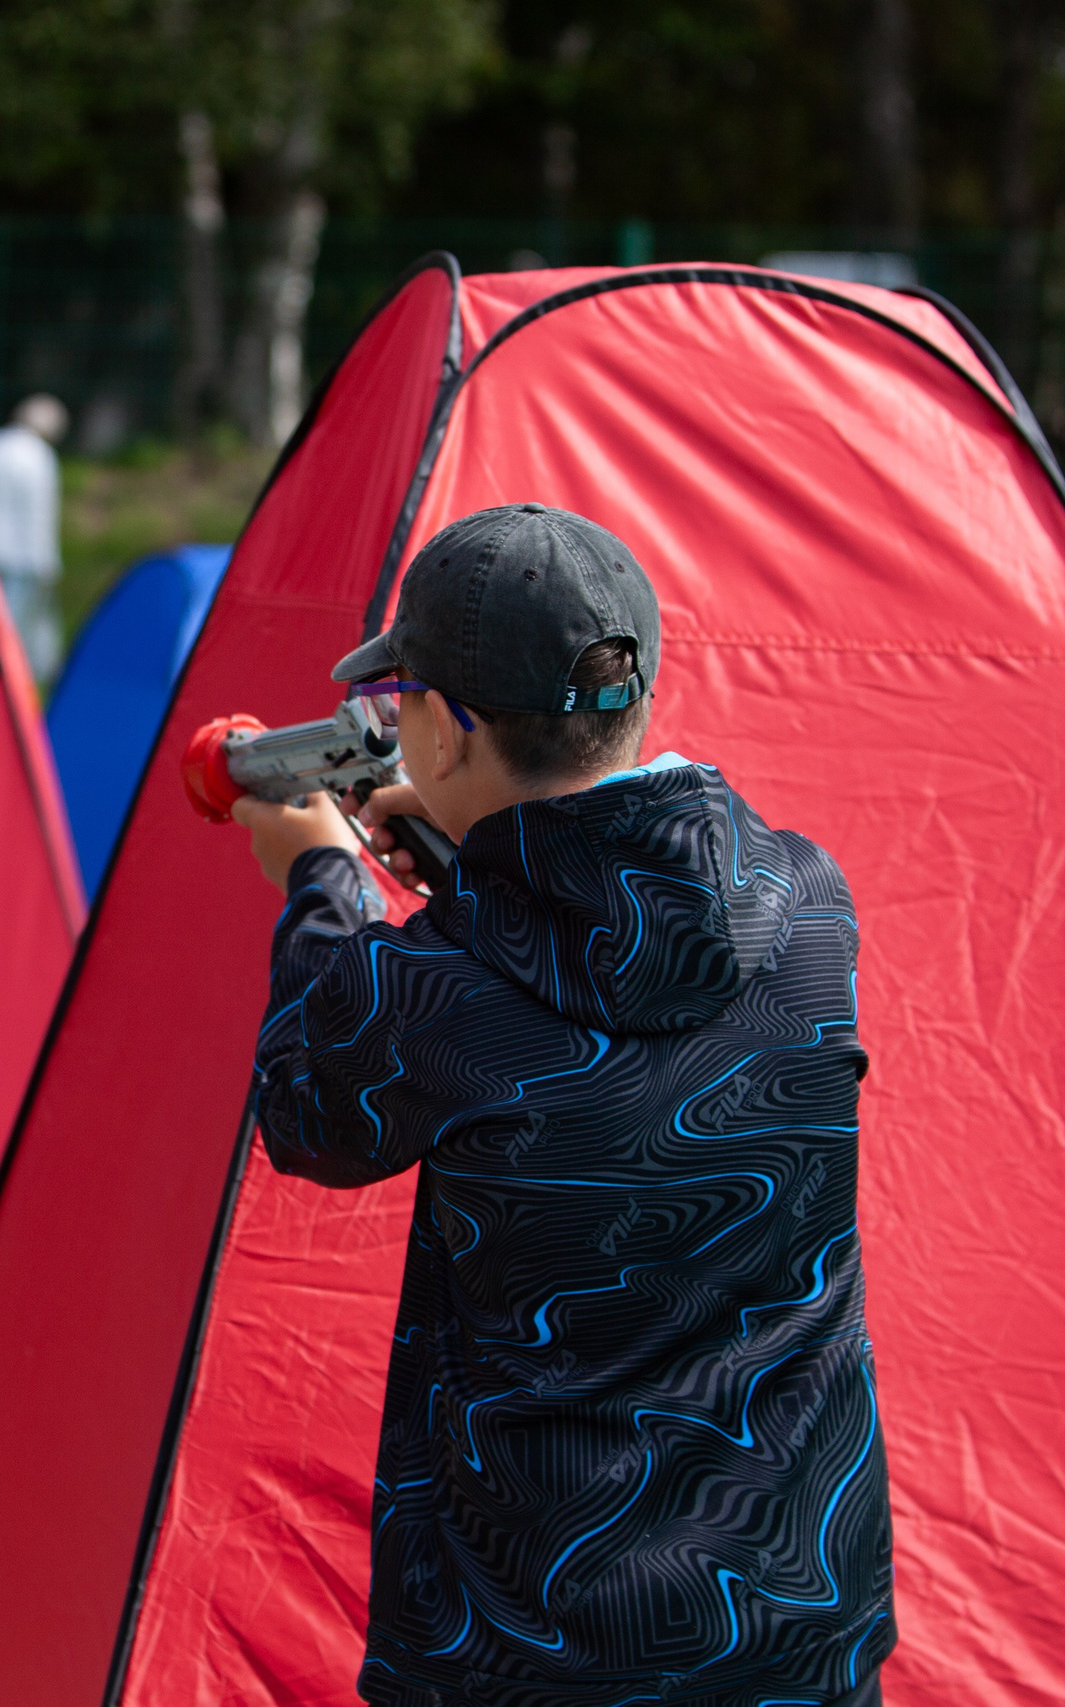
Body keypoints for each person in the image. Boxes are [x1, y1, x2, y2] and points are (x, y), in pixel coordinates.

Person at [230, 504, 894, 1707]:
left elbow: (306, 1105)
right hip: (796, 1619)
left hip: (526, 1649)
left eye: (404, 701)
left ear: (445, 726)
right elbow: (615, 970)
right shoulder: (807, 901)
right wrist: (467, 860)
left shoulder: (429, 991)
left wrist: (318, 872)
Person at [0, 393, 67, 682]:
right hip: (22, 555)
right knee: (14, 627)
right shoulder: (39, 455)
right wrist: (47, 560)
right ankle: (9, 680)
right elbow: (39, 512)